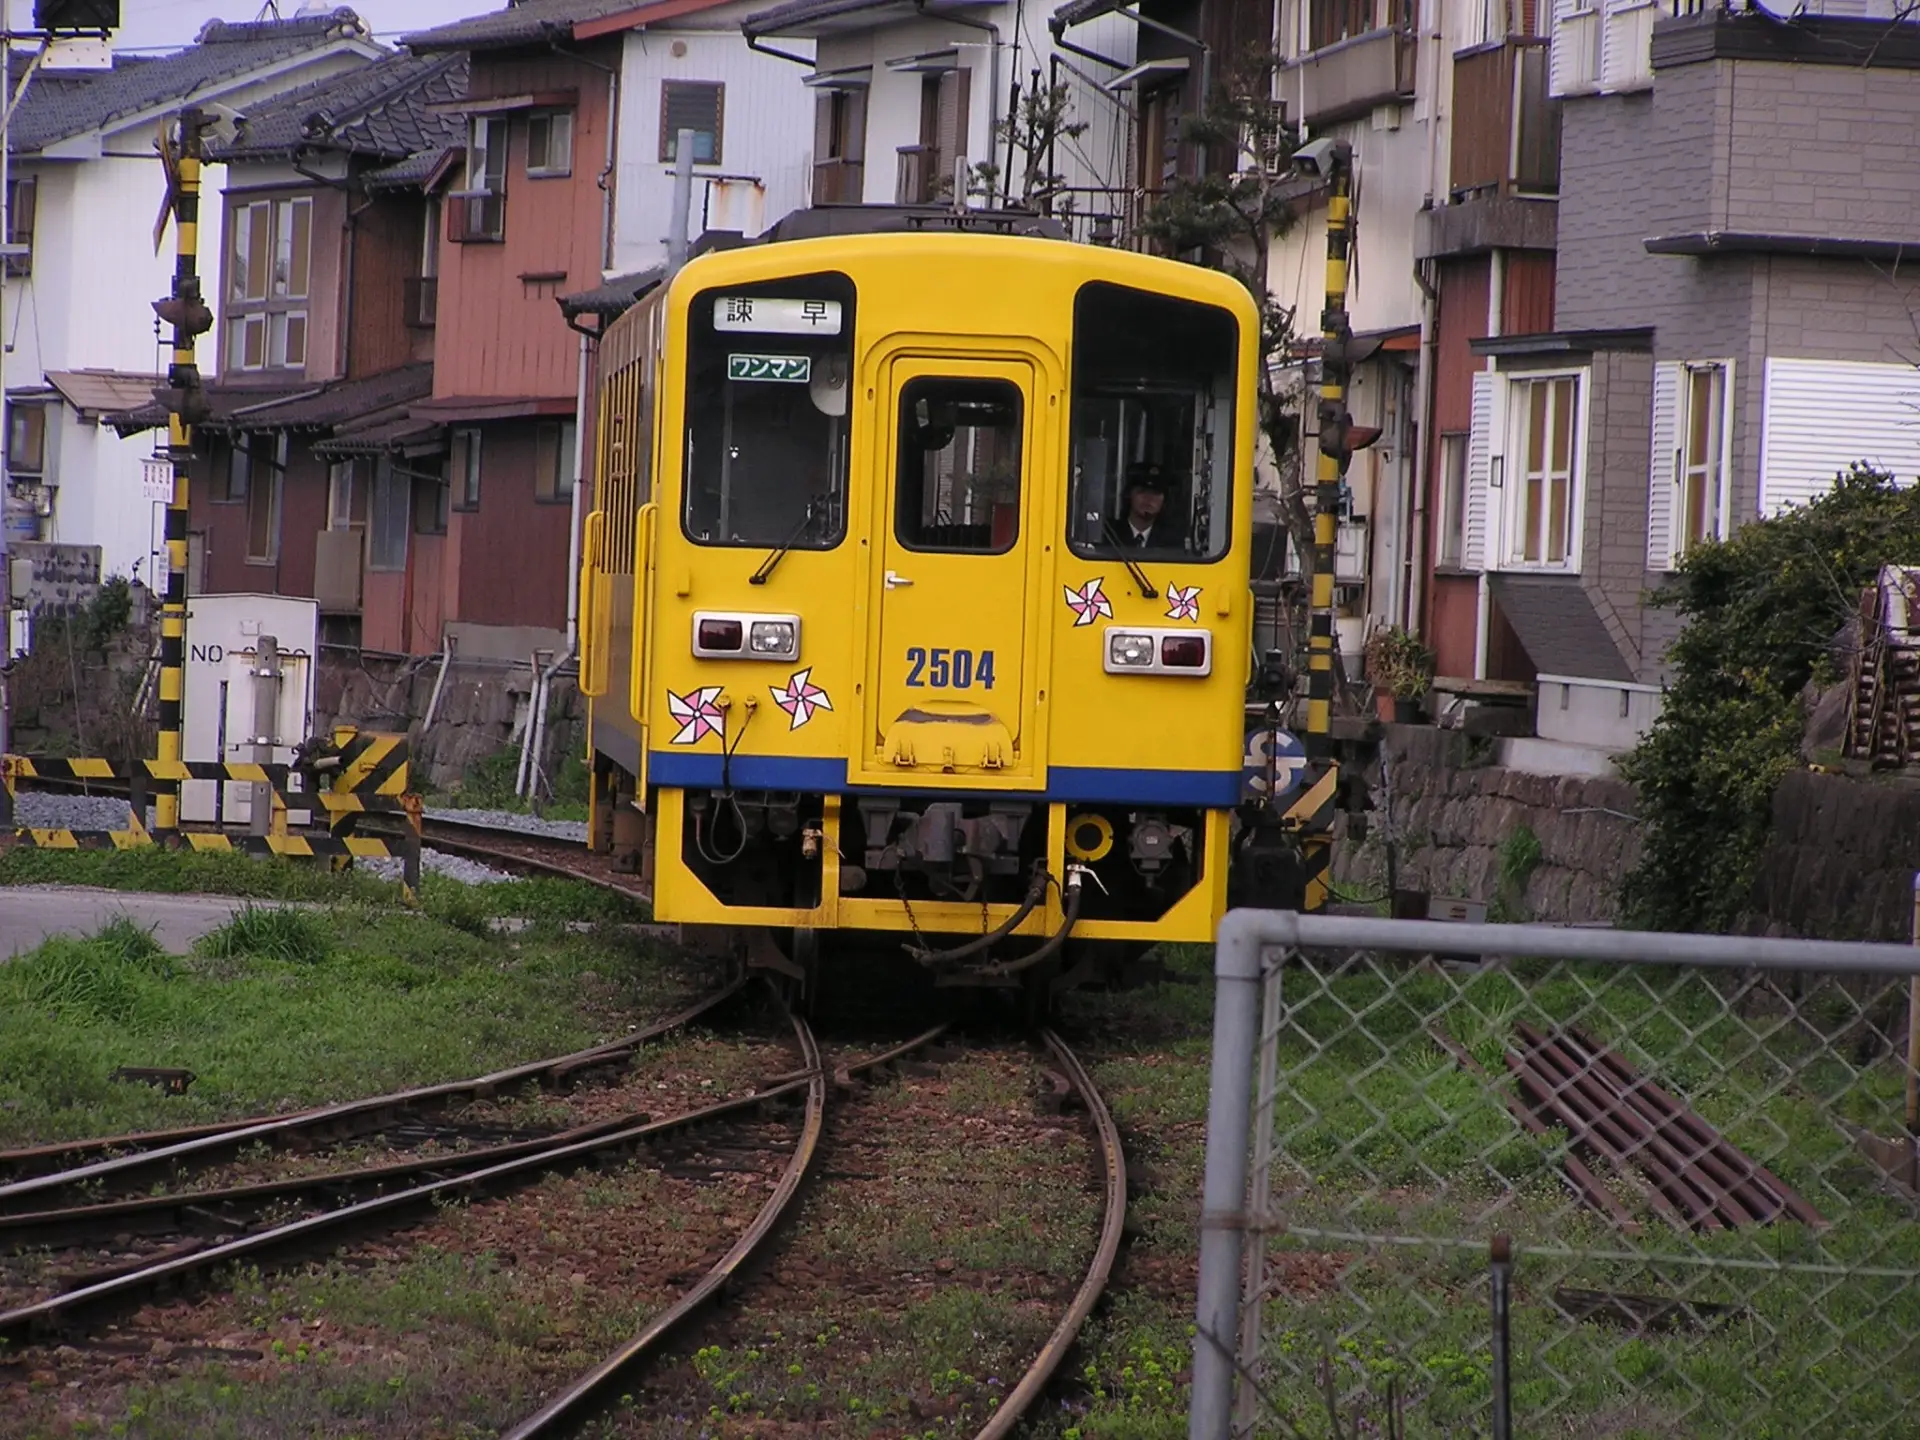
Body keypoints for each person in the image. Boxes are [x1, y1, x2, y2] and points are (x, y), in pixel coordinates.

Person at [1115, 464, 1186, 551]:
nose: (1149, 498)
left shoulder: (1173, 542)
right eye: (1142, 491)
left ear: (1164, 500)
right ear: (1129, 495)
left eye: (1155, 493)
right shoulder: (1110, 535)